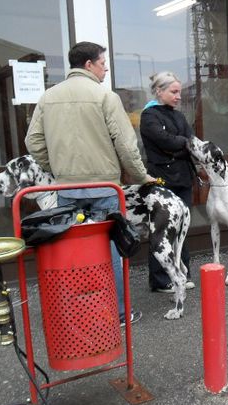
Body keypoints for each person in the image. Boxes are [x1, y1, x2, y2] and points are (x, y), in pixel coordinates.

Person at [26, 41, 153, 325]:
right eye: (103, 63)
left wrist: (56, 168)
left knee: (72, 249)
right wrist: (140, 175)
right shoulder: (105, 97)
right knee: (111, 250)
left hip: (65, 189)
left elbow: (33, 142)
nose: (106, 68)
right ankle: (119, 313)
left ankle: (80, 313)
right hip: (104, 188)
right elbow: (126, 145)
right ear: (89, 65)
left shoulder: (48, 97)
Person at [140, 71, 195, 292]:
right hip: (163, 180)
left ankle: (182, 272)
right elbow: (165, 141)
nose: (178, 96)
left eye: (179, 91)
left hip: (183, 179)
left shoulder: (178, 116)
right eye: (174, 92)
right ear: (159, 91)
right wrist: (180, 145)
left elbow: (188, 141)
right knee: (162, 230)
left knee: (182, 228)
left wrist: (178, 145)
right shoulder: (149, 115)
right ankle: (160, 280)